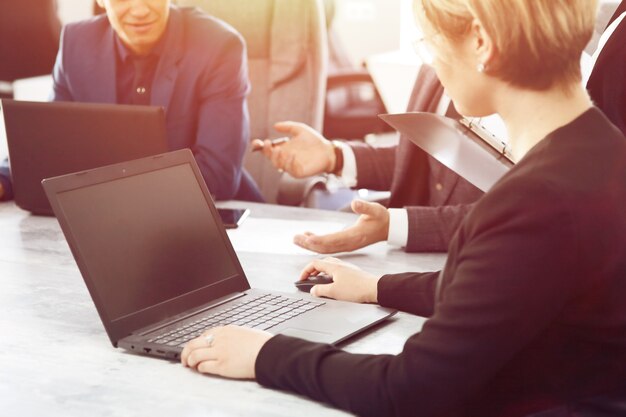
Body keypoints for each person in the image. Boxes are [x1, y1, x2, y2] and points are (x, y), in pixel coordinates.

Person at [180, 1, 626, 416]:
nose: (430, 60)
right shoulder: (602, 149)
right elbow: (502, 287)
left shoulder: (536, 199)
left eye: (429, 42)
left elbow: (409, 390)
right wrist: (379, 287)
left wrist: (264, 353)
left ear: (481, 43)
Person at [2, 0, 259, 202]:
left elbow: (218, 173)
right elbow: (47, 148)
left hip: (214, 217)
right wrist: (4, 180)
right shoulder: (76, 43)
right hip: (107, 220)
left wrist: (107, 195)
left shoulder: (219, 46)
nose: (139, 9)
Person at [254, 64, 483, 253]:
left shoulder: (503, 85)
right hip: (414, 251)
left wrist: (393, 226)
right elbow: (423, 163)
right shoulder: (431, 65)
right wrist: (334, 157)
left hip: (477, 259)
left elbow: (509, 216)